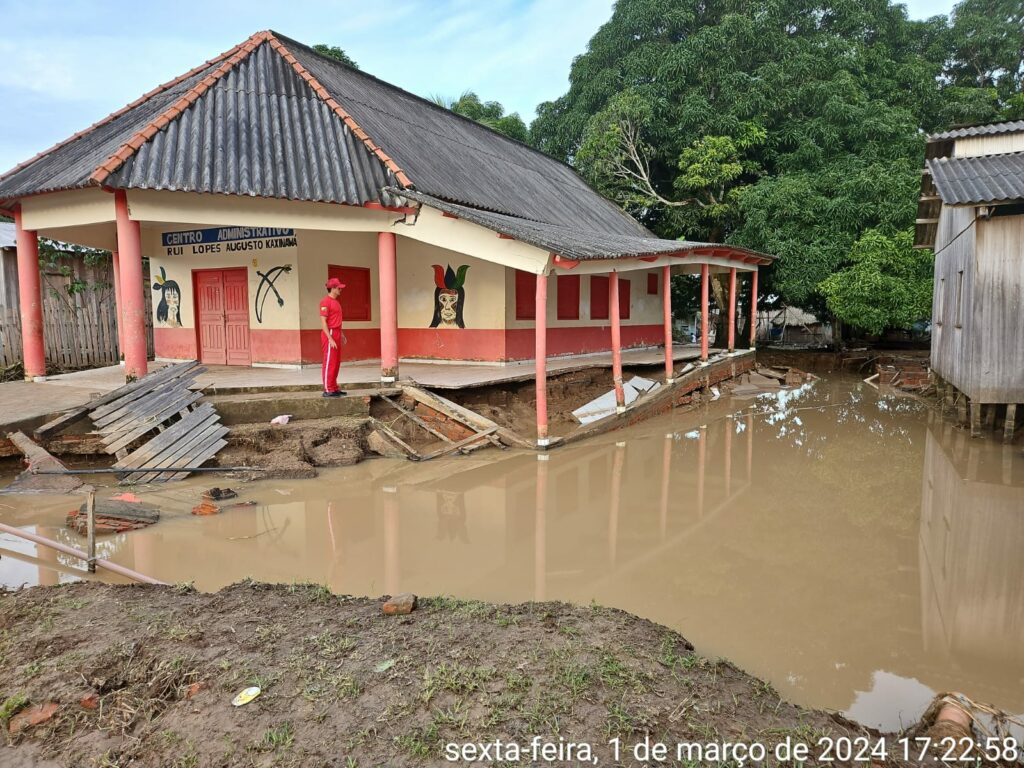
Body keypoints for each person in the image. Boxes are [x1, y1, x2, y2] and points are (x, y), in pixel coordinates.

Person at [320, 277, 347, 397]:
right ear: (332, 288)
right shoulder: (325, 302)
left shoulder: (336, 302)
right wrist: (330, 338)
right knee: (329, 361)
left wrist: (341, 334)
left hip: (336, 332)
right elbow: (323, 322)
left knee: (336, 362)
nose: (340, 290)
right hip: (329, 333)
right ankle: (328, 388)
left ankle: (334, 387)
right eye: (338, 288)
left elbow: (337, 321)